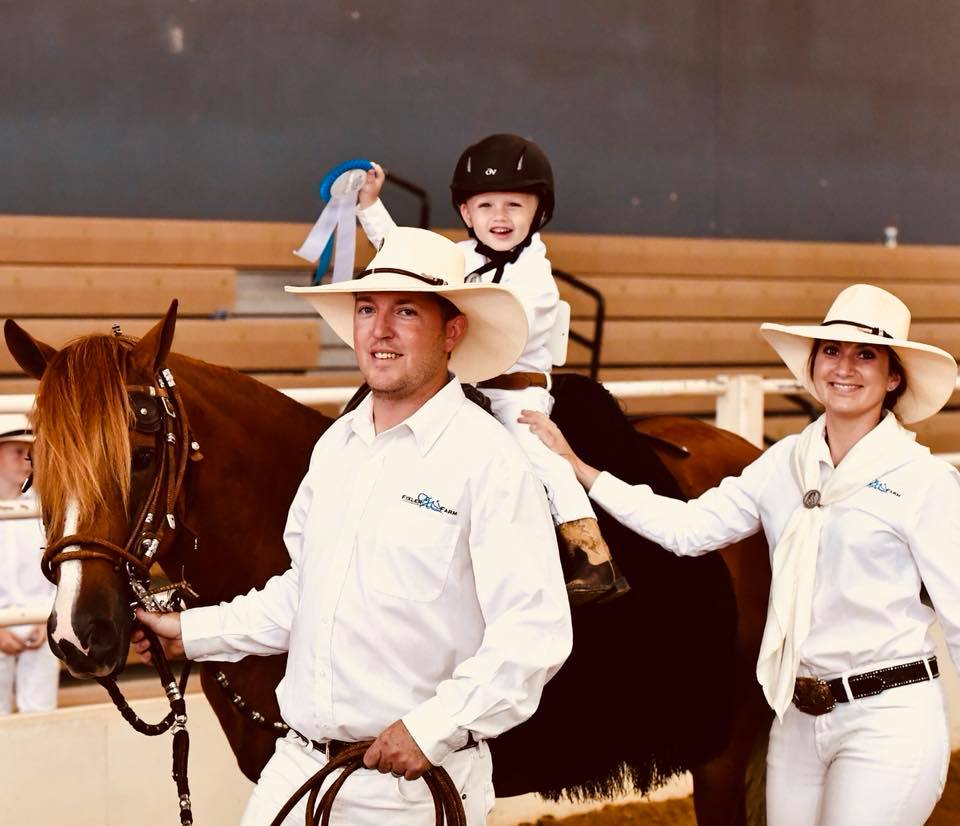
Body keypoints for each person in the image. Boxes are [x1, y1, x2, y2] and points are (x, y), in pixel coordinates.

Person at [135, 227, 573, 825]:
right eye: (368, 309)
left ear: (452, 331)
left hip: (415, 790)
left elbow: (534, 633)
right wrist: (189, 631)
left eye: (406, 312)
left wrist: (432, 729)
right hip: (299, 768)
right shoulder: (335, 447)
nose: (379, 329)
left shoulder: (489, 461)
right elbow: (304, 591)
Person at [519, 283, 960, 826]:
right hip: (797, 715)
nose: (845, 367)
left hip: (887, 716)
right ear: (815, 365)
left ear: (893, 378)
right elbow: (687, 529)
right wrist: (583, 472)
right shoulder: (784, 465)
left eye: (866, 354)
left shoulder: (925, 482)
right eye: (832, 350)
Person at [355, 133, 627, 605]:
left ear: (537, 213)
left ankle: (590, 552)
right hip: (463, 385)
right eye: (485, 206)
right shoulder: (461, 257)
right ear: (466, 213)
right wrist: (369, 207)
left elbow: (489, 332)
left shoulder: (536, 281)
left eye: (514, 205)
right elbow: (405, 257)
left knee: (540, 456)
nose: (499, 218)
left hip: (515, 392)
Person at [0, 414, 58, 715]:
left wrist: (44, 617)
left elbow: (57, 572)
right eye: (16, 451)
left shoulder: (44, 509)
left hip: (39, 624)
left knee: (40, 714)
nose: (26, 459)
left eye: (29, 451)